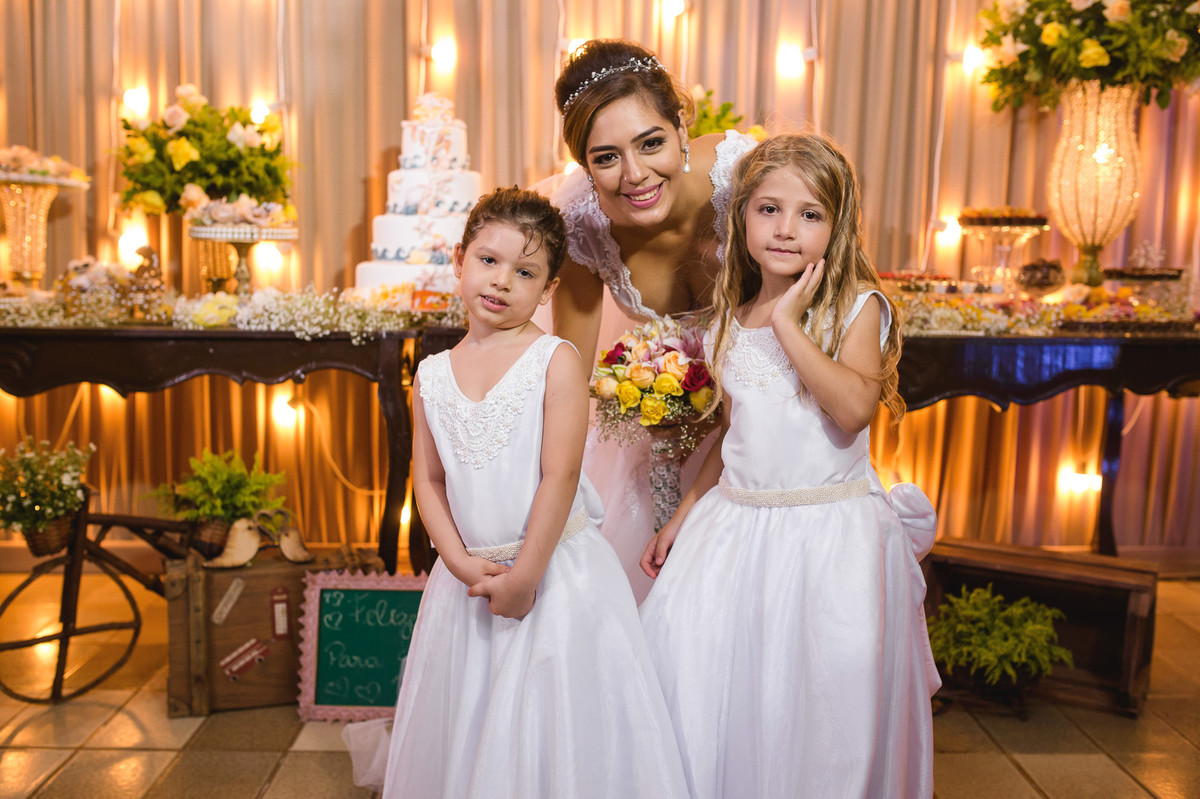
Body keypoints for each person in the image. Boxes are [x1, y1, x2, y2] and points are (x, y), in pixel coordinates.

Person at [637, 134, 940, 798]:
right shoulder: (731, 317)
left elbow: (852, 409)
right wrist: (683, 516)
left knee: (819, 701)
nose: (785, 229)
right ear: (742, 215)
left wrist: (789, 325)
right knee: (717, 683)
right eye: (769, 209)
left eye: (809, 214)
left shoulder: (857, 306)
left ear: (837, 225)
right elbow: (732, 434)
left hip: (826, 536)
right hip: (737, 527)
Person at [380, 187, 688, 798]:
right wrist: (458, 561)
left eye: (525, 272)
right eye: (488, 260)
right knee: (472, 721)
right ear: (459, 259)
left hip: (554, 574)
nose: (501, 281)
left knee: (554, 730)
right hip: (468, 581)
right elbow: (429, 480)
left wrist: (524, 576)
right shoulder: (432, 375)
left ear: (548, 289)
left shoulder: (555, 359)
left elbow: (560, 475)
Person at [547, 39, 759, 601]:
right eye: (606, 158)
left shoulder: (747, 177)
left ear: (682, 127)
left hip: (765, 432)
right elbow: (568, 375)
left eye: (651, 143)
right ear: (584, 165)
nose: (635, 175)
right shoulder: (581, 227)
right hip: (657, 446)